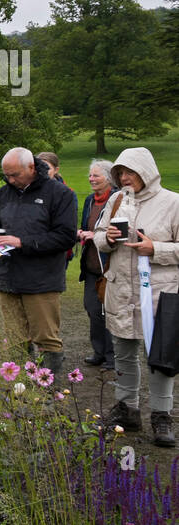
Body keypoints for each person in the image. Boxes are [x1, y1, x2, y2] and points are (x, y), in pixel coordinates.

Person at [92, 148, 179, 446]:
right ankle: (127, 409)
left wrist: (156, 248)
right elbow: (99, 236)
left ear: (146, 171)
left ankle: (162, 415)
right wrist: (108, 238)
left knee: (160, 358)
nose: (124, 178)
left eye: (129, 172)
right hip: (121, 290)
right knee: (124, 351)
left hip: (159, 294)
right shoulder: (117, 200)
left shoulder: (173, 202)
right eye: (120, 174)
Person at [0, 147, 79, 376]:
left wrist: (23, 242)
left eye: (15, 175)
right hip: (8, 277)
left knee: (45, 339)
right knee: (14, 338)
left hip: (41, 280)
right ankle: (20, 391)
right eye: (7, 175)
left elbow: (65, 237)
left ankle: (48, 393)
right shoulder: (3, 194)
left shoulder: (59, 194)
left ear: (32, 167)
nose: (11, 180)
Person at [77, 159, 117, 370]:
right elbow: (86, 225)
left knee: (108, 310)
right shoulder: (90, 201)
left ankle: (113, 357)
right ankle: (99, 352)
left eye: (96, 175)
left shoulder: (118, 200)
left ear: (109, 178)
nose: (91, 179)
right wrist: (82, 233)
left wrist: (97, 235)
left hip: (109, 266)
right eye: (90, 175)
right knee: (92, 308)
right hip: (91, 265)